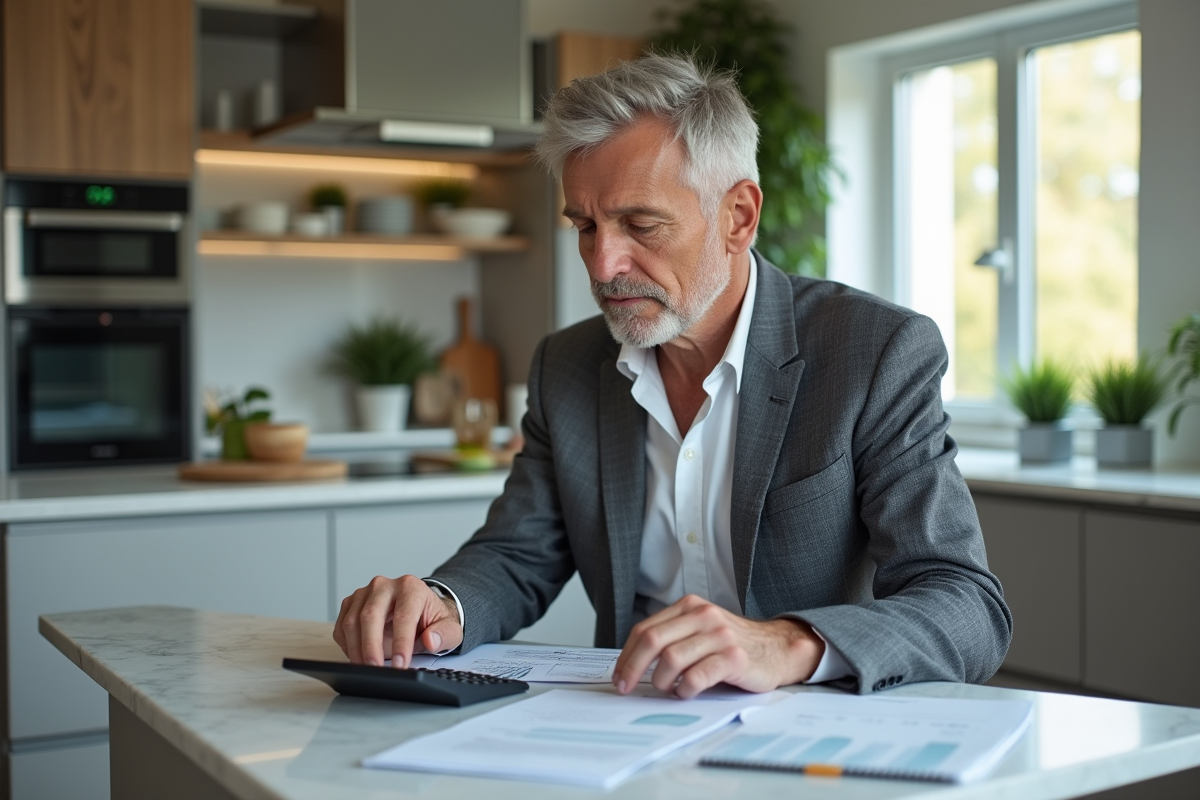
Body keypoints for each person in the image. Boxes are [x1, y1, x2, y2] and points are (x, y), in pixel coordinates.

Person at [334, 54, 1011, 698]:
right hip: (631, 730)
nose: (603, 266)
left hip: (809, 738)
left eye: (640, 225)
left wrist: (786, 644)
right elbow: (517, 556)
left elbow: (965, 605)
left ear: (738, 217)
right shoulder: (566, 367)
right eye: (586, 226)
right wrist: (438, 604)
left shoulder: (873, 352)